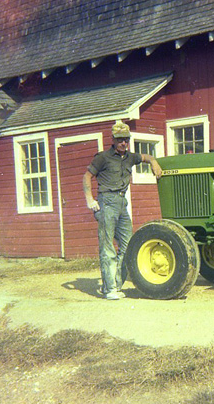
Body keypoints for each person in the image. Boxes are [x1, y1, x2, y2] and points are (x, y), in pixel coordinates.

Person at [83, 121, 162, 300]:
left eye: (126, 139)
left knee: (128, 245)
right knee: (107, 246)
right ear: (112, 139)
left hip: (121, 203)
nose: (123, 143)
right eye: (120, 140)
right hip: (106, 202)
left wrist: (154, 162)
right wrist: (90, 200)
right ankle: (109, 289)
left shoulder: (130, 157)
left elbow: (146, 157)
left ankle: (116, 285)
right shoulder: (103, 157)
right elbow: (87, 176)